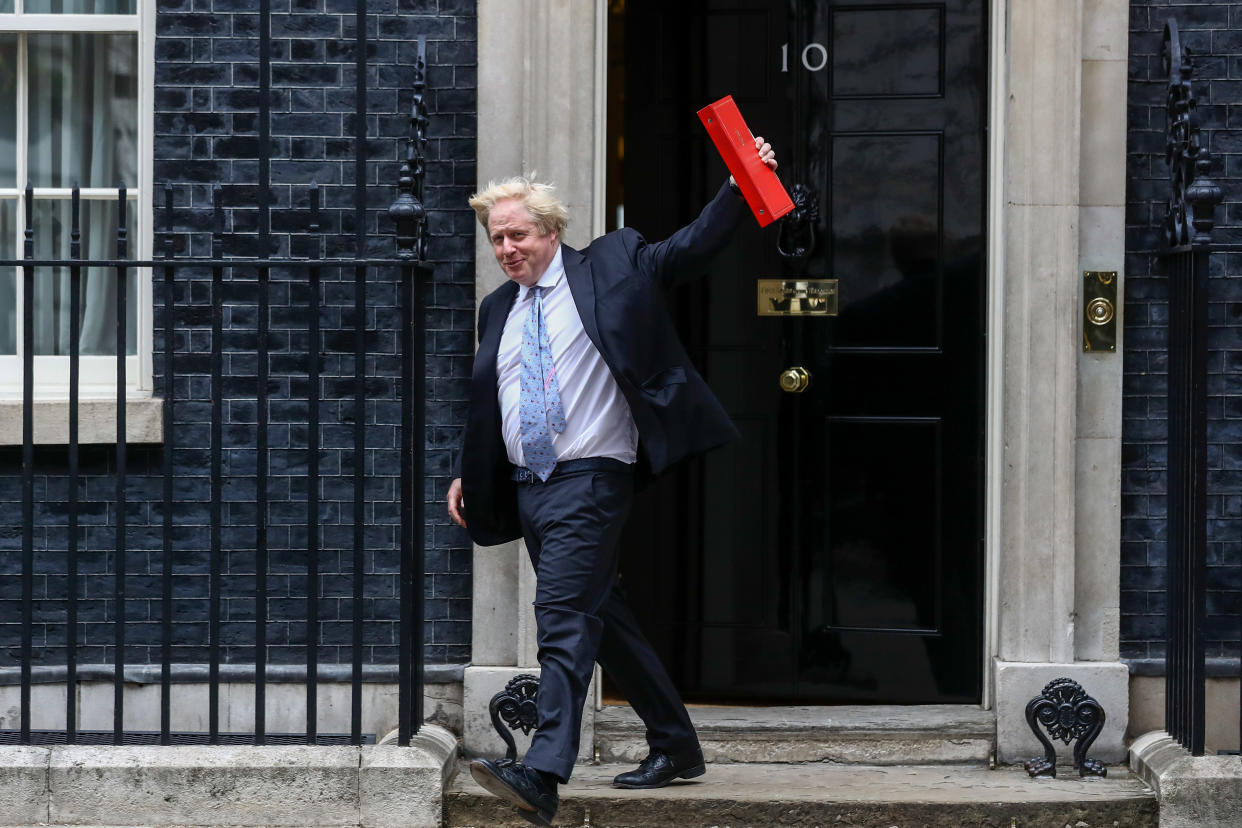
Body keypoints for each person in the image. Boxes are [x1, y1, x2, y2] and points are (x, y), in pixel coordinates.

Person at [448, 138, 777, 827]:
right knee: (606, 620)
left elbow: (690, 248)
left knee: (563, 618)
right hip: (529, 484)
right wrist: (469, 473)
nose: (506, 249)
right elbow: (495, 400)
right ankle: (677, 745)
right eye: (496, 239)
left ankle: (542, 771)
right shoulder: (498, 309)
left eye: (518, 235)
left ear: (552, 230)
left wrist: (743, 181)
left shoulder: (613, 266)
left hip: (593, 476)